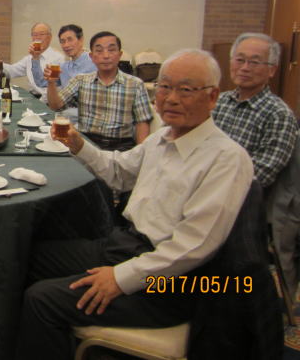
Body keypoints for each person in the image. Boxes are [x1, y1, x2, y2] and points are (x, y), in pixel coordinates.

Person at [15, 49, 253, 359]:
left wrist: (121, 278)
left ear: (212, 97)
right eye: (165, 87)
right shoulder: (162, 138)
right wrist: (78, 144)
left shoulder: (226, 158)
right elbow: (118, 172)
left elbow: (192, 247)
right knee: (26, 255)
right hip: (125, 246)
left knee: (41, 300)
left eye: (185, 89)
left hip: (170, 283)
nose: (171, 98)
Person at [212, 32, 299, 294]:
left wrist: (210, 188)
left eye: (255, 62)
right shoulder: (218, 102)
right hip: (205, 190)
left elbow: (263, 173)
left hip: (244, 205)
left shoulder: (278, 114)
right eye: (240, 60)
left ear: (271, 70)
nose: (245, 67)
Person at [46, 31, 152, 151]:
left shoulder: (135, 84)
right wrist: (51, 83)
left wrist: (141, 154)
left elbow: (142, 122)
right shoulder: (80, 80)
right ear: (91, 57)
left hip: (121, 147)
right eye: (99, 50)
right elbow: (55, 105)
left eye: (111, 50)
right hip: (86, 144)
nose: (106, 56)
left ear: (120, 55)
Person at [3, 22, 64, 101]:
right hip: (31, 97)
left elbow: (50, 86)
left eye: (41, 34)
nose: (37, 38)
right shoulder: (29, 58)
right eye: (34, 35)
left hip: (48, 100)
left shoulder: (58, 58)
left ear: (50, 37)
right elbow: (12, 71)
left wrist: (39, 102)